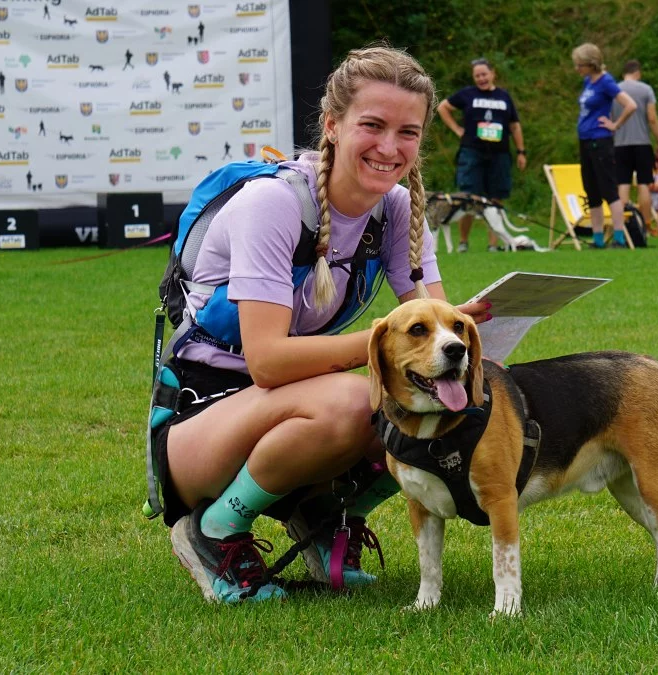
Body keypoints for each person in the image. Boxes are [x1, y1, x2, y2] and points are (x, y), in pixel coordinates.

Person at [157, 44, 490, 604]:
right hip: (202, 418)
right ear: (332, 125)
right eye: (373, 126)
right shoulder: (273, 203)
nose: (390, 147)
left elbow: (436, 333)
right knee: (359, 401)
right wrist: (383, 342)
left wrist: (471, 335)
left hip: (288, 404)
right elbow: (267, 362)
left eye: (407, 132)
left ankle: (325, 519)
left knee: (449, 396)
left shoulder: (397, 209)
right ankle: (214, 530)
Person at [436, 58, 526, 252]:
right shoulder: (467, 94)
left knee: (496, 198)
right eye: (477, 76)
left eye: (484, 74)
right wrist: (457, 129)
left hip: (499, 153)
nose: (481, 78)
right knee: (469, 198)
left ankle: (493, 244)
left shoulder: (504, 97)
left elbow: (514, 126)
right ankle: (463, 242)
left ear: (493, 74)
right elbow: (442, 107)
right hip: (472, 152)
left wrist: (521, 151)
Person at [571, 43, 637, 248]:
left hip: (600, 141)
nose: (577, 68)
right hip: (585, 140)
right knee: (591, 191)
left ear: (591, 64)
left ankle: (618, 237)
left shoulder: (606, 82)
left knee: (608, 189)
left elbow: (630, 105)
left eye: (580, 65)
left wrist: (615, 124)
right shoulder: (588, 82)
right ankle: (597, 238)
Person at [612, 60, 658, 236]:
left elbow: (610, 118)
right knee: (644, 183)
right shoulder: (646, 89)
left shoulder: (614, 90)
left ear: (623, 74)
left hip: (620, 143)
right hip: (642, 143)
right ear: (638, 73)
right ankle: (646, 225)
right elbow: (652, 118)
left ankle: (624, 226)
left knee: (623, 183)